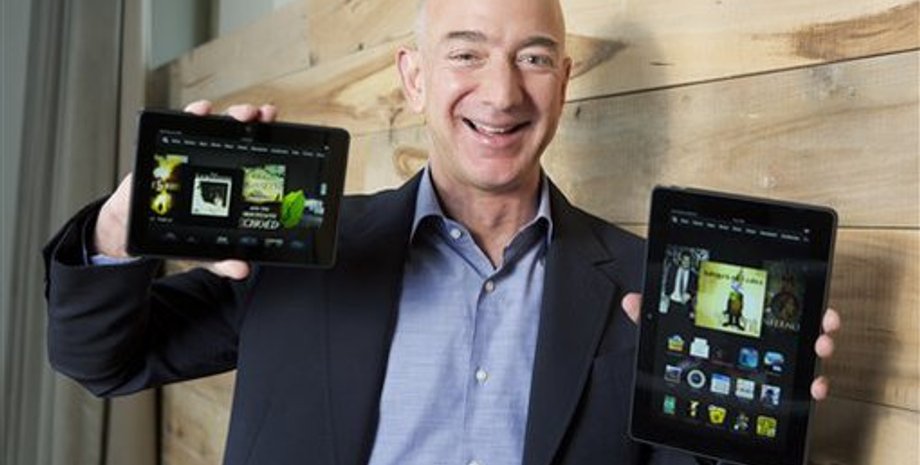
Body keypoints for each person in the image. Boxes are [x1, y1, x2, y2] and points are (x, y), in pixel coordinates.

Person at [43, 1, 841, 464]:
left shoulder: (644, 287)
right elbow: (100, 358)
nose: (502, 92)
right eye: (467, 53)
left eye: (534, 58)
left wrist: (748, 427)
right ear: (415, 77)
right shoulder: (300, 252)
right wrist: (120, 226)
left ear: (564, 82)